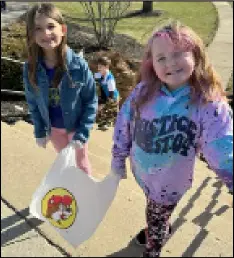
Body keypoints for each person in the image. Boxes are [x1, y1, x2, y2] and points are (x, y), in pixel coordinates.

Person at [111, 21, 233, 257]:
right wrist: (118, 159)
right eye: (161, 57)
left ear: (196, 55)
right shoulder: (143, 91)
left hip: (170, 184)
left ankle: (153, 248)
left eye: (178, 53)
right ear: (151, 63)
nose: (171, 63)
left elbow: (222, 146)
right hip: (143, 174)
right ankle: (159, 227)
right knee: (154, 210)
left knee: (156, 212)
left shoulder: (208, 104)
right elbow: (123, 125)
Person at [23, 3, 98, 175]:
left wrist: (83, 132)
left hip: (76, 128)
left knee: (81, 164)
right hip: (54, 129)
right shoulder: (30, 68)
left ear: (63, 29)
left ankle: (85, 194)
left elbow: (90, 100)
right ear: (32, 34)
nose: (46, 33)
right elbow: (33, 102)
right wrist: (40, 131)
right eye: (38, 29)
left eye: (51, 26)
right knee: (65, 164)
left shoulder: (79, 66)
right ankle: (70, 195)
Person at [94, 56, 120, 129]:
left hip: (113, 98)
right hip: (106, 96)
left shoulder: (109, 79)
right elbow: (92, 77)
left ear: (107, 67)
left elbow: (111, 94)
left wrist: (105, 104)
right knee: (97, 108)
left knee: (110, 113)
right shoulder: (100, 74)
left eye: (101, 67)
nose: (98, 69)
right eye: (98, 67)